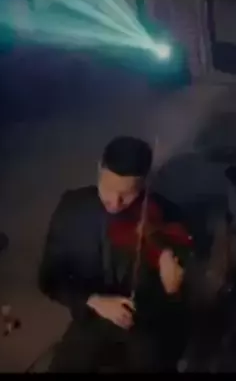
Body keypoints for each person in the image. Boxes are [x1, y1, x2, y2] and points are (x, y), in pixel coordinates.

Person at [38, 136, 194, 372]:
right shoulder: (72, 207)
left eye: (127, 194)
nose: (115, 202)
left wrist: (173, 288)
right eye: (108, 188)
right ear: (99, 169)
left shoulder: (168, 216)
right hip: (92, 317)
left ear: (144, 183)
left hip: (145, 325)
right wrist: (95, 301)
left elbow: (180, 306)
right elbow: (48, 278)